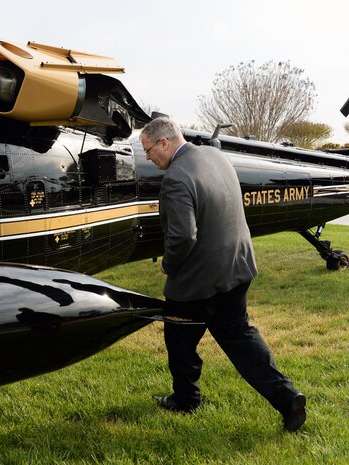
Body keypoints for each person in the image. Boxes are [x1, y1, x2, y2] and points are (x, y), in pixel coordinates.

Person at [140, 117, 306, 432]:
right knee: (239, 336)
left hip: (200, 280)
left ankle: (186, 400)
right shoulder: (214, 155)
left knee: (179, 339)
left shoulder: (176, 178)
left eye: (149, 150)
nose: (149, 158)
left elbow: (182, 237)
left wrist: (168, 265)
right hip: (238, 265)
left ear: (164, 142)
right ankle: (288, 398)